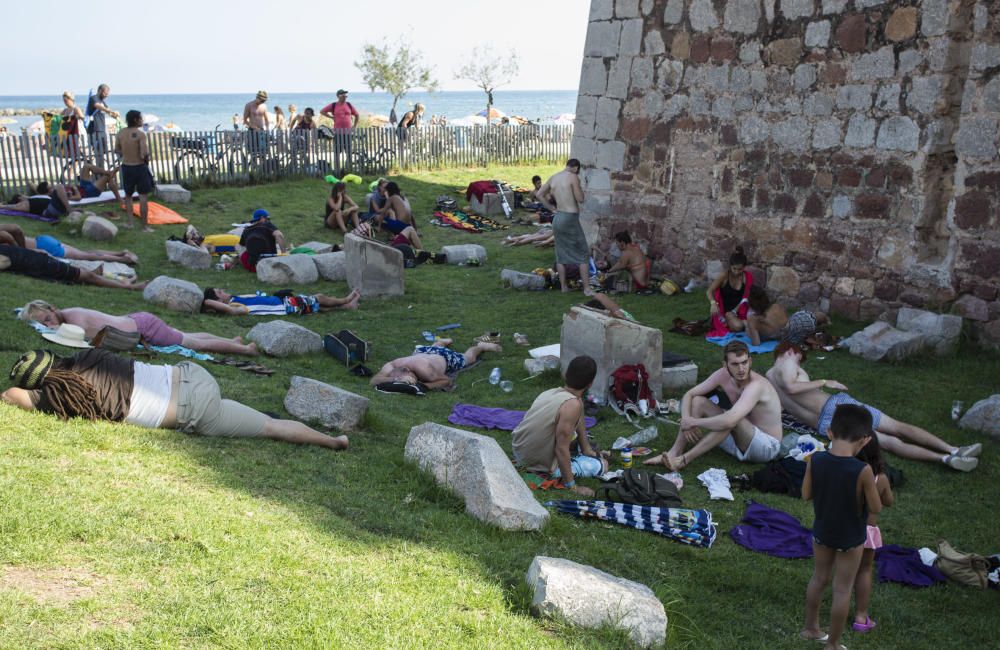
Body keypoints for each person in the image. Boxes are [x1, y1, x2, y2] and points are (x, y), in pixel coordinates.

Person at [2, 349, 348, 451]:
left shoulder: (62, 399)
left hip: (192, 410)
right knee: (264, 420)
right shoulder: (88, 357)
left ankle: (333, 443)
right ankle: (333, 439)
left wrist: (32, 392)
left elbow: (11, 396)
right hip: (190, 375)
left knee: (269, 428)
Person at [765, 341, 980, 471]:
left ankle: (944, 459)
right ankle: (954, 449)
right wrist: (824, 382)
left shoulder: (767, 380)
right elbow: (791, 387)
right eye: (801, 357)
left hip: (824, 426)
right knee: (896, 426)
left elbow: (781, 402)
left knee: (888, 442)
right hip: (837, 406)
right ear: (791, 351)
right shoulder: (788, 360)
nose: (801, 361)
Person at [800, 404, 883, 650]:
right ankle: (833, 645)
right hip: (851, 539)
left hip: (822, 532)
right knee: (842, 589)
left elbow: (806, 495)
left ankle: (810, 628)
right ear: (865, 440)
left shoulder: (815, 459)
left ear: (829, 431)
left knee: (819, 578)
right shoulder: (864, 470)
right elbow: (876, 507)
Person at [644, 340, 782, 471]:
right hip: (739, 438)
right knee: (698, 401)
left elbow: (730, 420)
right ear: (725, 364)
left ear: (750, 361)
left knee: (731, 419)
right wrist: (686, 419)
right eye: (735, 364)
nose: (741, 369)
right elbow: (689, 395)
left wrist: (694, 422)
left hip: (766, 447)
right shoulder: (723, 374)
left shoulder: (756, 385)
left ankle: (683, 460)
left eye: (744, 362)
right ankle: (674, 453)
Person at [512, 355, 608, 497]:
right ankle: (555, 472)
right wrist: (572, 487)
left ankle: (585, 453)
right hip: (535, 464)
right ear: (590, 383)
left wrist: (588, 450)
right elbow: (561, 449)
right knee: (603, 465)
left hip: (519, 452)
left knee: (578, 411)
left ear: (565, 375)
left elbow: (577, 414)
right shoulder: (572, 405)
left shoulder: (551, 393)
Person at [21, 300, 258, 356]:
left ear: (52, 309)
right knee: (188, 336)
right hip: (138, 320)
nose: (49, 325)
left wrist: (54, 332)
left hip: (143, 327)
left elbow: (86, 338)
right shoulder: (68, 314)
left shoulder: (74, 317)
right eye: (43, 325)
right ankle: (233, 341)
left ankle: (245, 350)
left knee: (193, 344)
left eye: (47, 320)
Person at [851, 435, 893, 635]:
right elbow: (889, 501)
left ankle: (838, 602)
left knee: (843, 571)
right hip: (868, 532)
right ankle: (861, 616)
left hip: (845, 529)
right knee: (865, 570)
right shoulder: (881, 478)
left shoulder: (848, 473)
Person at [535, 159, 591, 295]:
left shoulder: (554, 177)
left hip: (558, 217)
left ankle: (564, 287)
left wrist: (551, 208)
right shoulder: (573, 177)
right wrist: (582, 190)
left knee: (561, 254)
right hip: (570, 218)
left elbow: (539, 194)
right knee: (583, 253)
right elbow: (580, 198)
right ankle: (587, 289)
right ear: (576, 167)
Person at [369, 339, 501, 390]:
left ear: (408, 371)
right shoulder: (392, 365)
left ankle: (481, 346)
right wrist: (396, 379)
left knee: (468, 358)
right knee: (434, 348)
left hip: (444, 357)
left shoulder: (425, 371)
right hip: (421, 351)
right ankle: (441, 342)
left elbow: (447, 380)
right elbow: (374, 380)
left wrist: (425, 385)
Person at [0, 244, 143, 290]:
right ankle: (128, 286)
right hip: (41, 265)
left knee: (87, 271)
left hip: (39, 258)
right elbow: (5, 262)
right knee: (87, 275)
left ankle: (122, 281)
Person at [0, 223, 137, 264]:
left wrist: (22, 249)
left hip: (45, 247)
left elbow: (15, 229)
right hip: (41, 240)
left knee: (87, 256)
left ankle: (124, 259)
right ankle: (120, 253)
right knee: (85, 252)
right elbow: (14, 228)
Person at [745, 286, 830, 346]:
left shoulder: (752, 320)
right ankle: (826, 320)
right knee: (816, 317)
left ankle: (823, 323)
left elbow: (756, 343)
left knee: (812, 321)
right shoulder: (776, 306)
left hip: (790, 337)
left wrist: (752, 328)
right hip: (800, 323)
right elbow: (785, 319)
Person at [114, 110, 154, 232]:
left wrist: (126, 155)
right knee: (143, 197)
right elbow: (144, 153)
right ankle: (144, 227)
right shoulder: (140, 134)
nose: (142, 121)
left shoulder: (120, 133)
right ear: (136, 120)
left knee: (128, 196)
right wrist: (147, 159)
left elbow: (117, 150)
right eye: (141, 119)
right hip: (140, 167)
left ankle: (130, 223)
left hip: (127, 167)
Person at [201, 287, 360, 315]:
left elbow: (257, 297)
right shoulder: (233, 306)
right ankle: (345, 300)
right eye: (219, 292)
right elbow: (230, 311)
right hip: (284, 307)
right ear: (218, 301)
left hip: (282, 303)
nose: (223, 291)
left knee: (317, 307)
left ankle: (347, 307)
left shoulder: (236, 298)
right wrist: (207, 302)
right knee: (318, 298)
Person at [707, 247, 752, 333]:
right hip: (725, 312)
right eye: (734, 269)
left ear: (744, 267)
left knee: (758, 321)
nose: (736, 272)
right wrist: (713, 304)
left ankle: (739, 323)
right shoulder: (723, 276)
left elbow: (746, 297)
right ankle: (732, 322)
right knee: (739, 326)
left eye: (740, 269)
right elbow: (709, 291)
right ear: (730, 266)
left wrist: (736, 310)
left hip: (740, 309)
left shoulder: (747, 277)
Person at [321, 90, 358, 172]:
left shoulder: (349, 105)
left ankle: (348, 169)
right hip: (337, 133)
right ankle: (337, 170)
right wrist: (331, 117)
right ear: (338, 96)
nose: (345, 97)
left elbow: (357, 115)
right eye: (343, 95)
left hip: (348, 133)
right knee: (337, 153)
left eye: (346, 96)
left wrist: (354, 126)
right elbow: (322, 111)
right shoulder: (334, 105)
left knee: (349, 153)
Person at [85, 84, 119, 168]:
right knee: (97, 152)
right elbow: (98, 106)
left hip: (102, 129)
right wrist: (109, 110)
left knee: (102, 152)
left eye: (107, 94)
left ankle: (101, 169)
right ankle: (98, 171)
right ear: (100, 90)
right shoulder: (93, 98)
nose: (106, 95)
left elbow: (109, 112)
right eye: (105, 93)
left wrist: (115, 115)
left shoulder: (102, 101)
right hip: (94, 129)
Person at [1, 181, 71, 219]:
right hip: (51, 209)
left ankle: (69, 210)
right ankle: (69, 210)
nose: (24, 195)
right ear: (19, 198)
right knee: (59, 186)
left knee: (60, 187)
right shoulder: (26, 203)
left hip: (54, 206)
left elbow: (31, 183)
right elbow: (14, 207)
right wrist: (2, 206)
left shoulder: (36, 197)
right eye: (22, 195)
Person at [59, 90, 84, 163]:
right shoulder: (65, 111)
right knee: (76, 155)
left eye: (66, 101)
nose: (65, 102)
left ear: (71, 100)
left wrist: (77, 117)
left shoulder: (76, 109)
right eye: (64, 101)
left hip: (78, 132)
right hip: (70, 134)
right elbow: (58, 119)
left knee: (80, 154)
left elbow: (82, 118)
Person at [243, 90, 270, 156]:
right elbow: (245, 120)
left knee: (263, 151)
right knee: (253, 152)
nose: (261, 102)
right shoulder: (249, 105)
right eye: (261, 101)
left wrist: (267, 128)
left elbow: (266, 120)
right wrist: (254, 127)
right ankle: (254, 165)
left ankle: (263, 165)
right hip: (252, 131)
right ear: (257, 97)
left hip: (261, 131)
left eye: (263, 101)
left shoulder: (264, 106)